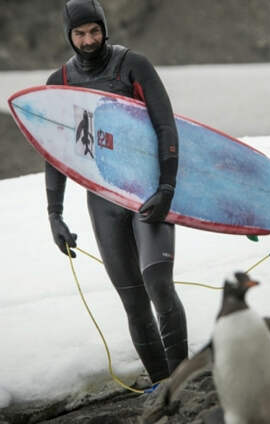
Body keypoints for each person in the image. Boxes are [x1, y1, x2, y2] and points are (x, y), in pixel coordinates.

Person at [45, 0, 187, 388]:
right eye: (79, 34)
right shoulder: (59, 83)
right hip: (103, 202)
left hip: (148, 195)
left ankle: (185, 381)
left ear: (104, 28)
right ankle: (161, 386)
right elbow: (55, 154)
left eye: (94, 31)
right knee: (133, 301)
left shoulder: (133, 65)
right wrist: (54, 213)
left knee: (159, 286)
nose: (88, 40)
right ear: (69, 36)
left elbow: (166, 127)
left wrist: (167, 187)